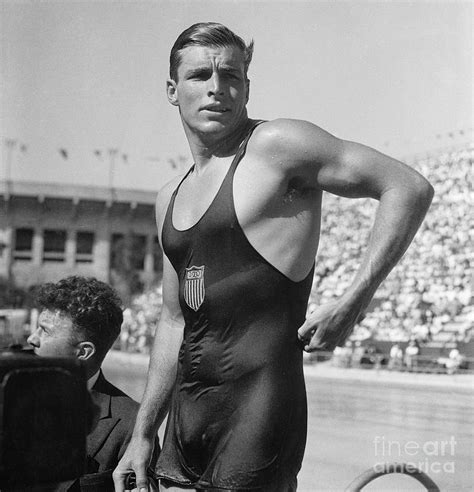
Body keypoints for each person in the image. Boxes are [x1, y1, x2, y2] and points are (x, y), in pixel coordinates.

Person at [113, 22, 433, 492]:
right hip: (187, 418)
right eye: (201, 75)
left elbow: (406, 186)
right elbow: (173, 320)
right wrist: (143, 434)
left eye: (232, 76)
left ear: (246, 87)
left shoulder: (276, 146)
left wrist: (354, 300)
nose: (217, 88)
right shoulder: (170, 197)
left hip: (260, 409)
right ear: (172, 89)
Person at [27, 276, 159, 490]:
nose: (32, 339)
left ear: (83, 352)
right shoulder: (9, 397)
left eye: (46, 331)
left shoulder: (134, 427)